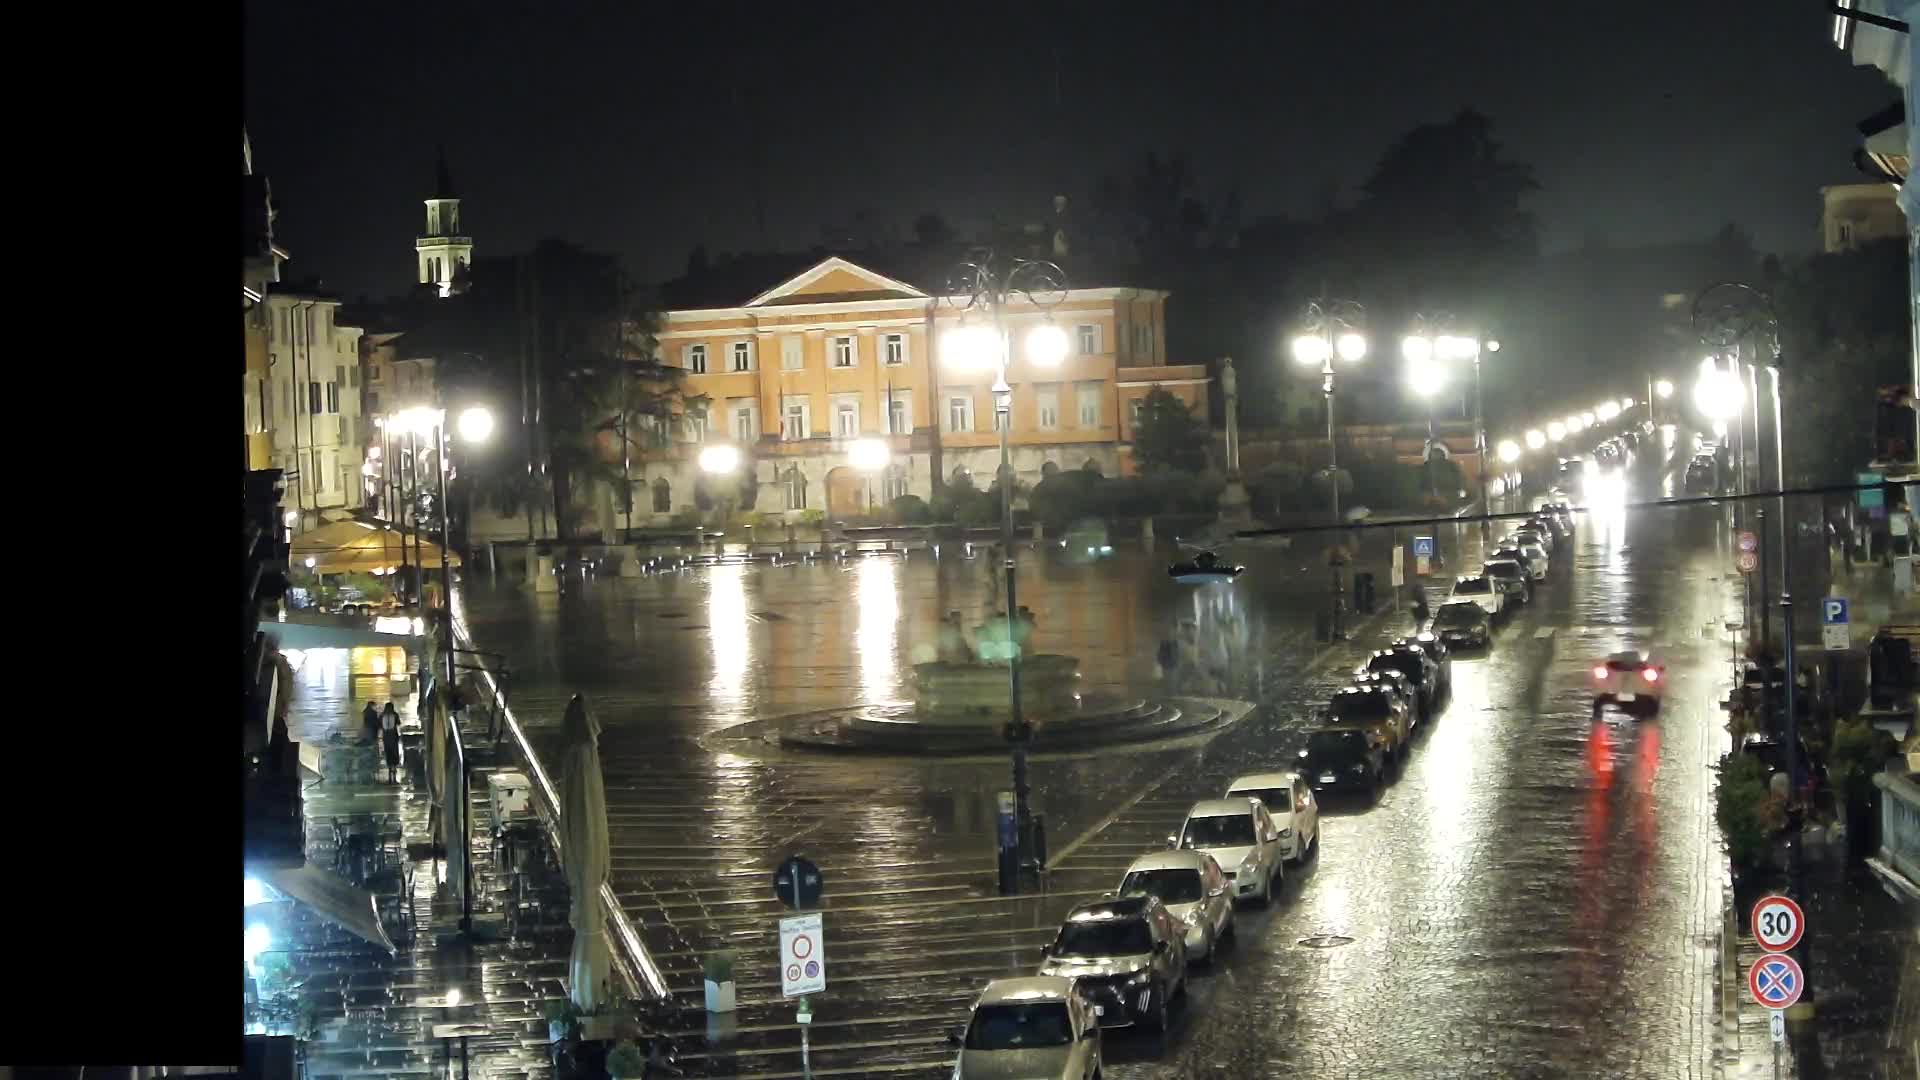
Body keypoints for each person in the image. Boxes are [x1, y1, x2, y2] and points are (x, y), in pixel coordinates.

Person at [380, 702, 402, 784]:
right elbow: (399, 723)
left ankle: (389, 774)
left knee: (388, 753)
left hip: (386, 737)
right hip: (394, 737)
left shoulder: (382, 715)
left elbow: (379, 725)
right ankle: (394, 773)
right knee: (394, 754)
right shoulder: (395, 714)